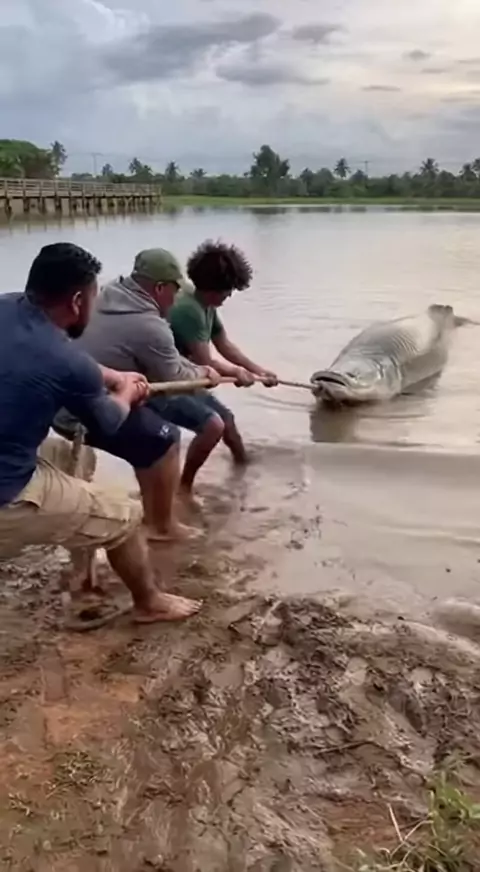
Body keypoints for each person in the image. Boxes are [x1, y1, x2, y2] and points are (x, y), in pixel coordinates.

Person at [0, 242, 200, 623]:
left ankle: (81, 566)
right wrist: (126, 393)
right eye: (94, 295)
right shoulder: (64, 359)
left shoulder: (7, 307)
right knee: (126, 516)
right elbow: (108, 421)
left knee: (76, 456)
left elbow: (75, 366)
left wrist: (113, 376)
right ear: (77, 301)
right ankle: (149, 603)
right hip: (6, 493)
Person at [64, 248, 253, 502]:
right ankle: (170, 506)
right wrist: (208, 372)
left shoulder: (110, 292)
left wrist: (248, 371)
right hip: (92, 407)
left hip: (89, 390)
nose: (177, 298)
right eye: (174, 290)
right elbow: (180, 376)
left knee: (218, 421)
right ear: (160, 288)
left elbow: (188, 357)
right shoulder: (152, 323)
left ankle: (178, 493)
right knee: (168, 438)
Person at [168, 240, 278, 466]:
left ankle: (243, 468)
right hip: (167, 378)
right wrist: (237, 373)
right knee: (215, 425)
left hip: (186, 371)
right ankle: (185, 483)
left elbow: (224, 344)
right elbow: (205, 364)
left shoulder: (204, 303)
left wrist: (258, 371)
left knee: (227, 421)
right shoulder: (189, 310)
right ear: (214, 289)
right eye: (228, 290)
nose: (229, 296)